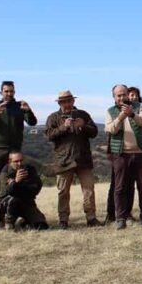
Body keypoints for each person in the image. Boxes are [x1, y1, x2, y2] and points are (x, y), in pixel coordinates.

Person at [0, 81, 37, 228]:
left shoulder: (19, 106)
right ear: (1, 92)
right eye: (6, 91)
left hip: (14, 151)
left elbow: (33, 123)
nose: (9, 94)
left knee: (9, 185)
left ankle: (1, 218)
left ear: (14, 92)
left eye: (11, 91)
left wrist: (28, 110)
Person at [45, 90, 100, 229]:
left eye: (69, 101)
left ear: (73, 101)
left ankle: (91, 218)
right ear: (59, 103)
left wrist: (83, 125)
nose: (67, 104)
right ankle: (63, 220)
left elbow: (94, 132)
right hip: (63, 160)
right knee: (63, 191)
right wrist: (64, 127)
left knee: (88, 190)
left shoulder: (83, 115)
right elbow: (49, 135)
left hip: (83, 159)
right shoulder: (53, 117)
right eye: (64, 101)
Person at [105, 84, 142, 229]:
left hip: (140, 153)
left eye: (124, 94)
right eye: (118, 95)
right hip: (121, 154)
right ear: (114, 97)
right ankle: (121, 218)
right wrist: (120, 117)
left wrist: (132, 114)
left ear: (127, 94)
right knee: (120, 188)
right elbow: (110, 129)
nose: (122, 97)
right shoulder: (110, 111)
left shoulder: (139, 106)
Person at [0, 151, 48, 231]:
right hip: (6, 203)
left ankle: (24, 222)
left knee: (42, 226)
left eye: (21, 160)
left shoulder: (30, 169)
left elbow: (36, 187)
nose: (19, 163)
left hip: (26, 202)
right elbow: (7, 192)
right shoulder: (5, 172)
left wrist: (16, 185)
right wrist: (16, 182)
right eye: (16, 161)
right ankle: (9, 223)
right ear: (9, 162)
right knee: (14, 199)